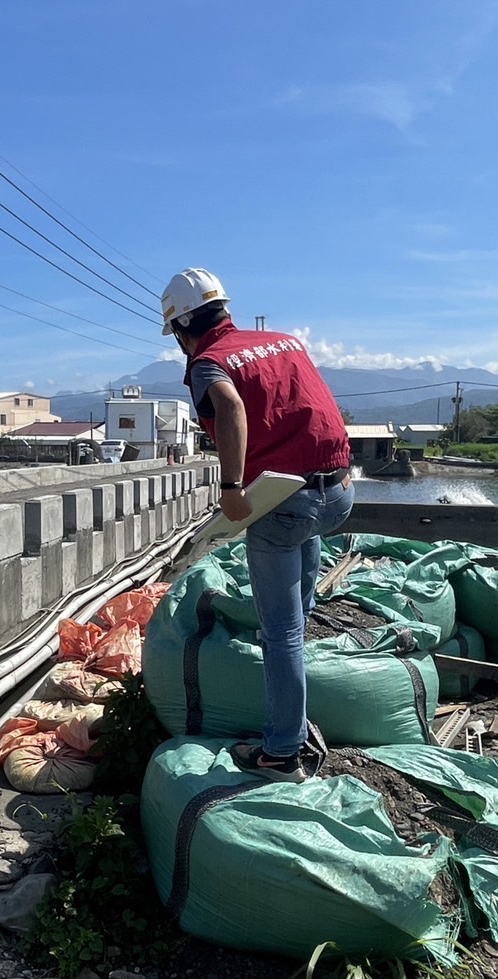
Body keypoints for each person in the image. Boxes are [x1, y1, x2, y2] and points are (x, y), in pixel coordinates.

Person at [163, 267, 353, 783]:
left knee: (281, 632)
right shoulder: (284, 341)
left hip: (285, 502)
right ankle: (297, 673)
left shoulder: (208, 361)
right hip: (339, 491)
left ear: (183, 328)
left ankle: (282, 752)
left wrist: (230, 489)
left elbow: (229, 407)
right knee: (300, 586)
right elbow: (313, 405)